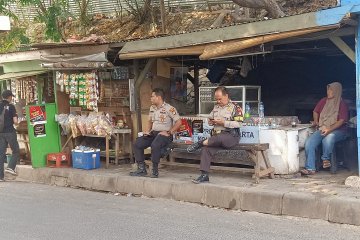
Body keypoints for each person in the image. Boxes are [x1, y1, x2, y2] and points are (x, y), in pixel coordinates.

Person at [187, 86, 244, 184]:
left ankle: (199, 143)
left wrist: (224, 123)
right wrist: (211, 121)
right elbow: (210, 119)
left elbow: (239, 124)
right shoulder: (216, 107)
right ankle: (204, 175)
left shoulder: (235, 107)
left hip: (231, 136)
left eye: (220, 99)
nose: (218, 101)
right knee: (206, 149)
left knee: (218, 138)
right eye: (216, 99)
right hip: (216, 137)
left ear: (226, 96)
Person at [130, 88, 182, 178]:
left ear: (158, 97)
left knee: (155, 145)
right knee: (137, 143)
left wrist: (169, 132)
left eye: (152, 96)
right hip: (153, 133)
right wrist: (147, 131)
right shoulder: (152, 108)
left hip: (165, 134)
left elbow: (179, 122)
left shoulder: (169, 108)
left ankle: (155, 170)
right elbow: (150, 121)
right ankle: (142, 169)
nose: (151, 98)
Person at [301, 82, 349, 175]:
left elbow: (341, 121)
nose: (328, 92)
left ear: (336, 91)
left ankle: (325, 159)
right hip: (323, 128)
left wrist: (329, 129)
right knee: (309, 143)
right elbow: (315, 111)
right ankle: (310, 168)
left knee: (328, 138)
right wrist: (316, 121)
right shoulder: (323, 100)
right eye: (328, 89)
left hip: (339, 131)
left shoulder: (342, 104)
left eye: (331, 90)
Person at [0, 90, 19, 181]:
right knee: (15, 151)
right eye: (11, 96)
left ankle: (0, 176)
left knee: (1, 154)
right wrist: (17, 123)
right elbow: (15, 121)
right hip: (10, 132)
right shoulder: (11, 107)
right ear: (9, 97)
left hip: (0, 133)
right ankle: (10, 167)